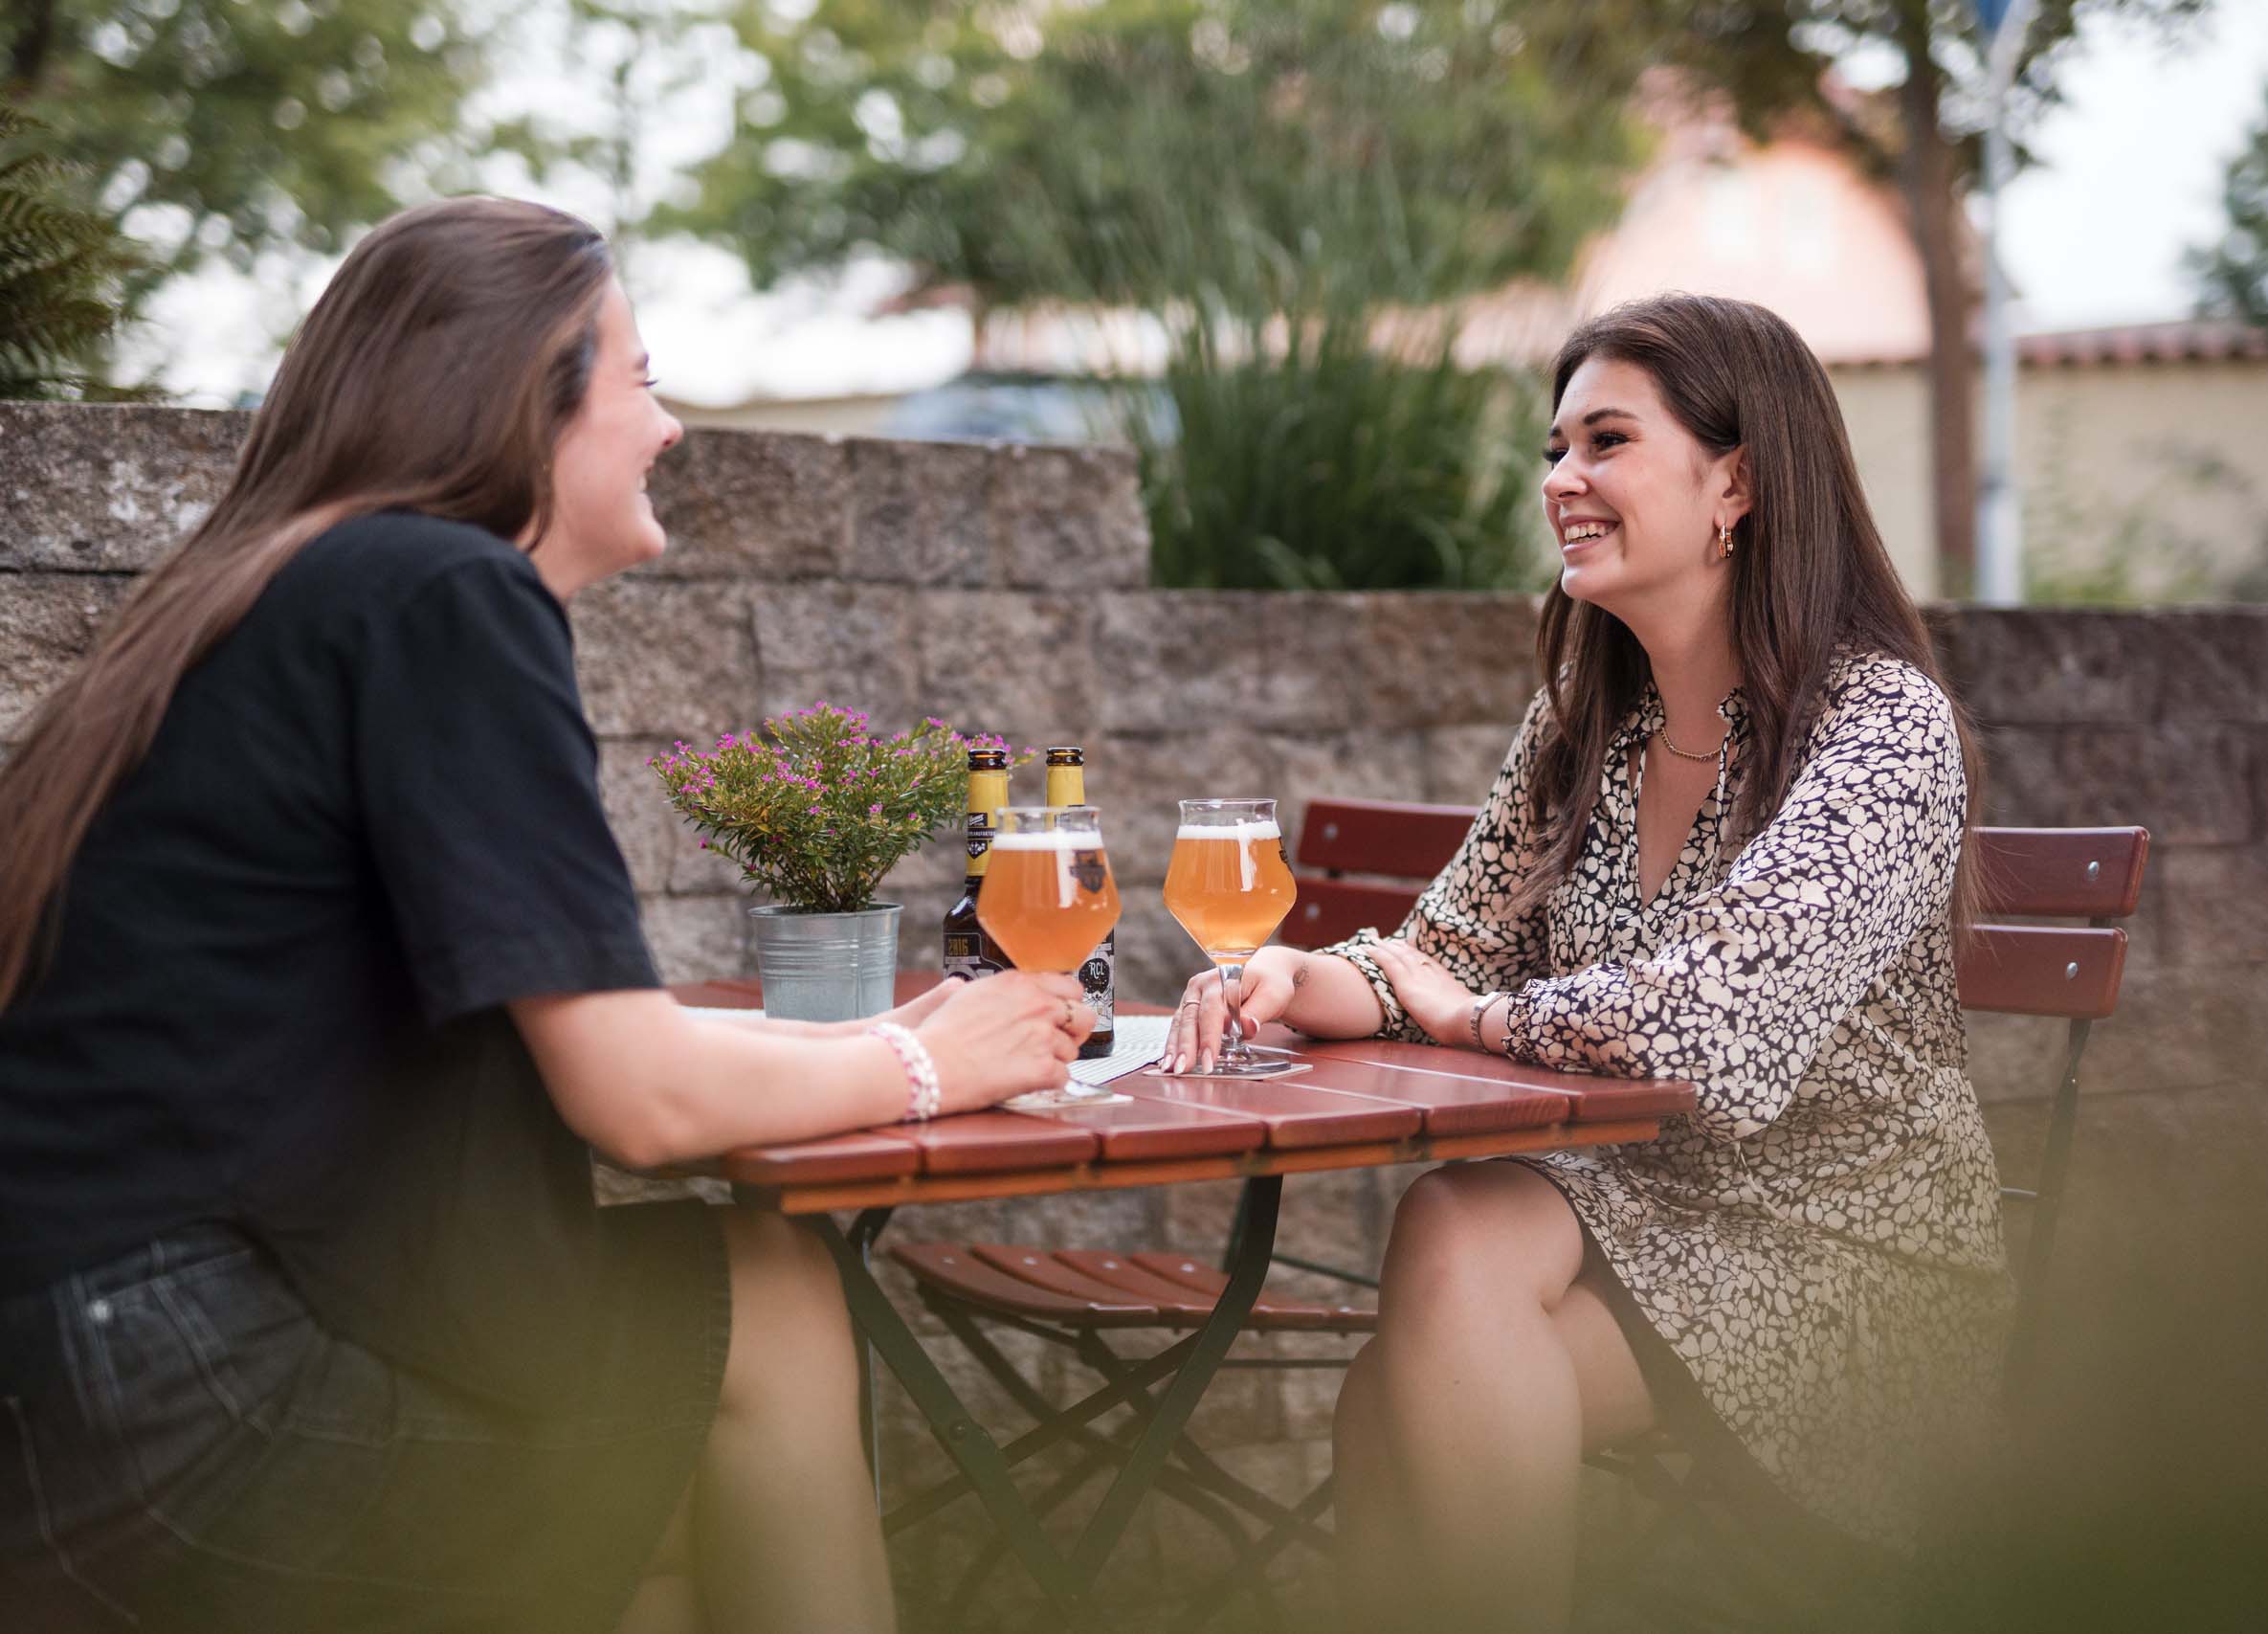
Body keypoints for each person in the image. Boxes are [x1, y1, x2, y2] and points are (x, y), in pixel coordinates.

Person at [0, 197, 1090, 1634]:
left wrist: (896, 1029)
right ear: (530, 395)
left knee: (648, 1535)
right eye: (642, 378)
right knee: (762, 1293)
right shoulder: (449, 594)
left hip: (73, 1379)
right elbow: (633, 1094)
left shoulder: (283, 588)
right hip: (175, 1389)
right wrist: (935, 1068)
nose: (671, 428)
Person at [1164, 294, 2012, 1628]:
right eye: (1555, 449)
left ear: (1737, 480)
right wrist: (1297, 978)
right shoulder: (1589, 718)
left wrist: (1479, 1019)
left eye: (1605, 442)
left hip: (1850, 1252)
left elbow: (1710, 1033)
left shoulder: (1882, 729)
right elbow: (1438, 953)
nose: (1562, 481)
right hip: (1640, 1212)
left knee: (1406, 1373)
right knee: (1449, 1241)